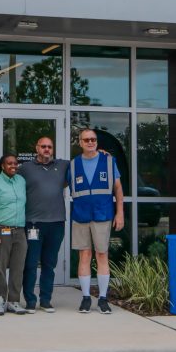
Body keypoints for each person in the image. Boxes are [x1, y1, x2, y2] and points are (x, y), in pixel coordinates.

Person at [68, 128, 124, 314]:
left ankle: (102, 298)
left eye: (93, 139)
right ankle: (85, 298)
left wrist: (120, 213)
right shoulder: (73, 164)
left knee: (102, 255)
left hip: (102, 214)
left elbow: (118, 189)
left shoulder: (108, 161)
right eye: (86, 140)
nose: (90, 142)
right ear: (80, 143)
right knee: (85, 255)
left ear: (97, 142)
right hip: (81, 215)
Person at [20, 136, 68, 314]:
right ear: (37, 148)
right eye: (43, 146)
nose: (47, 149)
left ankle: (46, 300)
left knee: (49, 264)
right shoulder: (25, 168)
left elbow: (84, 161)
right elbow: (9, 179)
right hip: (33, 223)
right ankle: (30, 301)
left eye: (50, 147)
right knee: (31, 263)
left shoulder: (63, 165)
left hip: (56, 223)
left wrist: (100, 153)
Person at [0, 154, 28, 316]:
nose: (13, 166)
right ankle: (0, 300)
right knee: (1, 268)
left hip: (20, 231)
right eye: (9, 163)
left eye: (15, 163)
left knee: (18, 268)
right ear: (2, 166)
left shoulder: (21, 181)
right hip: (2, 230)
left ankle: (14, 301)